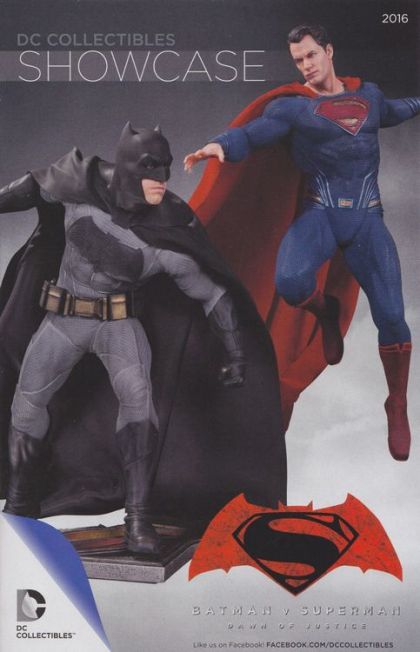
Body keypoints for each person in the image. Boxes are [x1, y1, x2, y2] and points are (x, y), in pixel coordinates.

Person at [0, 124, 286, 555]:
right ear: (128, 167)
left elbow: (212, 294)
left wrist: (235, 350)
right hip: (63, 320)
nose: (162, 178)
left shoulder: (169, 228)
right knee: (26, 402)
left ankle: (137, 519)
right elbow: (30, 188)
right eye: (151, 167)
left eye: (166, 167)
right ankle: (20, 506)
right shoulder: (79, 186)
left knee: (139, 401)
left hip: (118, 326)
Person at [184, 24, 420, 462]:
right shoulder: (293, 108)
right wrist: (221, 145)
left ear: (329, 51)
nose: (306, 65)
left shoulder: (368, 96)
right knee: (291, 281)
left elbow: (394, 110)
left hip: (367, 219)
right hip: (321, 215)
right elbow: (257, 132)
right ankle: (324, 312)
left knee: (392, 318)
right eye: (298, 60)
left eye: (311, 55)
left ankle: (397, 402)